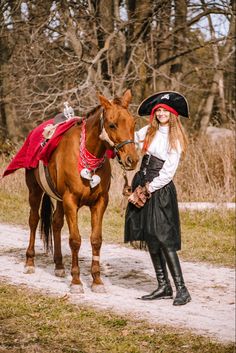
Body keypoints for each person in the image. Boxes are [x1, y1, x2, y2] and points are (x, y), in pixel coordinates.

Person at [124, 91, 191, 306]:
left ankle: (182, 289)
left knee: (164, 238)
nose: (161, 113)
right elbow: (128, 141)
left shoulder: (175, 137)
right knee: (150, 236)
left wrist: (148, 188)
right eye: (159, 110)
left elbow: (168, 172)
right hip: (141, 181)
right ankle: (163, 286)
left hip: (158, 189)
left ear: (172, 114)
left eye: (165, 110)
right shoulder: (148, 131)